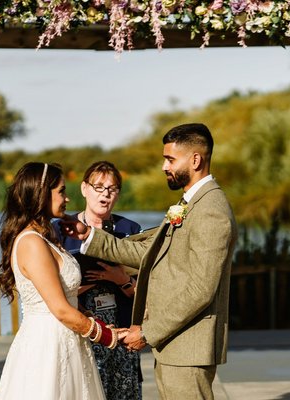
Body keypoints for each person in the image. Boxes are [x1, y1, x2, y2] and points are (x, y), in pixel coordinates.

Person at [62, 123, 238, 400]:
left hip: (189, 347)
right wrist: (88, 236)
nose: (164, 166)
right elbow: (150, 256)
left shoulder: (210, 211)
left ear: (195, 160)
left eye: (170, 159)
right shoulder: (191, 204)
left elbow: (201, 290)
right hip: (175, 345)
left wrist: (147, 332)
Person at [0, 162, 128, 400]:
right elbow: (60, 309)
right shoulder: (31, 243)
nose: (67, 199)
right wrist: (108, 337)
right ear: (41, 194)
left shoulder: (45, 237)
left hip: (68, 339)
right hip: (48, 345)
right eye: (61, 191)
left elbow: (68, 299)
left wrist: (95, 321)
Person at [53, 161, 143, 400]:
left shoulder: (130, 229)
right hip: (83, 331)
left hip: (122, 334)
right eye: (99, 187)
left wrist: (121, 279)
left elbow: (143, 295)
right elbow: (52, 292)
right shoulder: (61, 229)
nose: (105, 194)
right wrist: (90, 280)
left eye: (112, 189)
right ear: (84, 189)